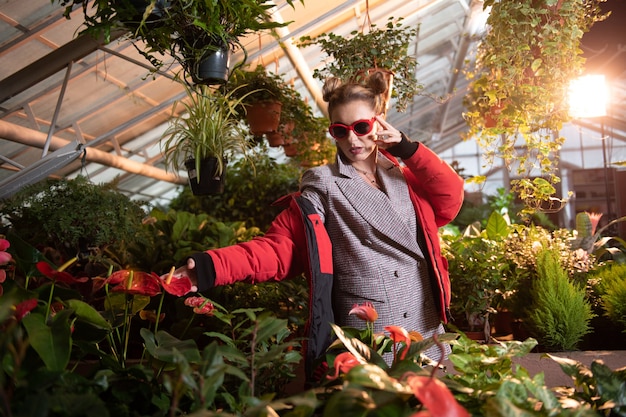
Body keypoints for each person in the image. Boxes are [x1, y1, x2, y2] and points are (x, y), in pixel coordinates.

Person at [164, 71, 464, 383]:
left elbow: (449, 199)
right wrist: (208, 267)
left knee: (433, 402)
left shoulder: (402, 170)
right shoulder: (324, 183)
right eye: (340, 130)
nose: (352, 139)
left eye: (361, 127)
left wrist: (406, 148)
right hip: (372, 327)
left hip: (424, 319)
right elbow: (281, 248)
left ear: (379, 120)